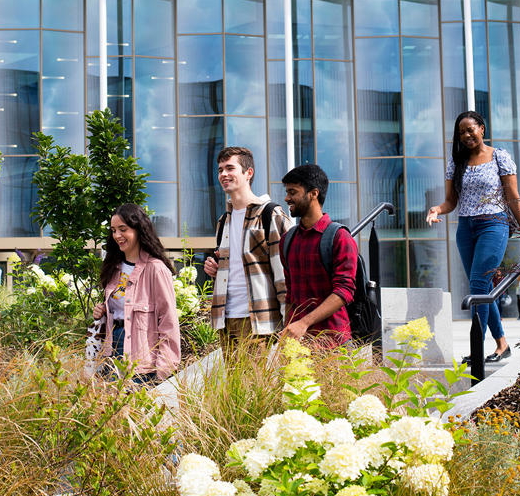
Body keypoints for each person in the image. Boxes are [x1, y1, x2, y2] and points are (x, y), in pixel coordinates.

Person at [426, 111, 520, 363]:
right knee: (484, 288)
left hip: (493, 225)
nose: (466, 135)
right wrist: (437, 209)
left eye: (470, 129)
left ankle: (476, 349)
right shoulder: (456, 162)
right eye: (461, 132)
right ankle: (502, 344)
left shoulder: (499, 157)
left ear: (482, 129)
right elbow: (451, 201)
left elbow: (513, 198)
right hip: (465, 228)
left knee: (478, 285)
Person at [203, 146, 293, 351]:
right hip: (226, 320)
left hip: (259, 323)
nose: (223, 174)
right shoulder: (223, 220)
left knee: (257, 384)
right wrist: (215, 271)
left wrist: (289, 321)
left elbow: (284, 274)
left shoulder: (271, 215)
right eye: (220, 170)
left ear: (248, 173)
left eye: (230, 168)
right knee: (234, 384)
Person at [92, 203, 181, 382]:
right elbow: (120, 308)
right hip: (112, 355)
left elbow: (168, 322)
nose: (117, 235)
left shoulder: (156, 269)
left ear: (138, 229)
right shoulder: (113, 268)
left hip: (142, 362)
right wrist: (103, 310)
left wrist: (163, 370)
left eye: (123, 229)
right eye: (113, 230)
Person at [279, 163, 358, 347]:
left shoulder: (340, 237)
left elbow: (344, 291)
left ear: (313, 193)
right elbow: (291, 295)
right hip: (297, 345)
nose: (286, 198)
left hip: (334, 345)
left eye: (293, 192)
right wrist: (289, 329)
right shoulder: (287, 240)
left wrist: (304, 323)